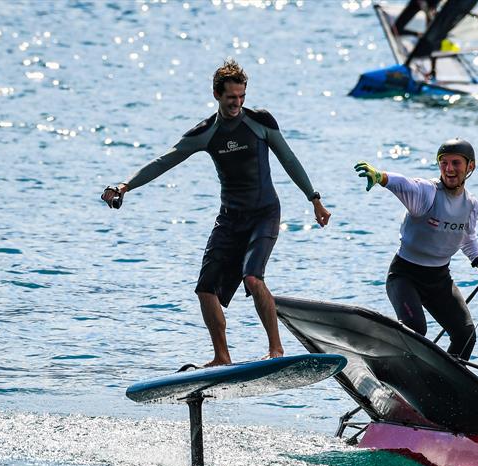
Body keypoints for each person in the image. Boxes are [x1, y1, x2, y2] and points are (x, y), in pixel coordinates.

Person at [101, 59, 331, 366]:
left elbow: (288, 159)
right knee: (205, 288)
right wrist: (125, 186)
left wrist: (313, 198)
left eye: (241, 97)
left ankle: (276, 349)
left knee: (252, 276)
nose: (237, 103)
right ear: (216, 95)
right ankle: (222, 357)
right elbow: (164, 161)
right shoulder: (206, 133)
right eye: (231, 97)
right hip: (229, 219)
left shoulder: (260, 122)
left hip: (264, 214)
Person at [354, 139, 478, 361]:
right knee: (415, 329)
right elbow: (404, 183)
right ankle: (386, 361)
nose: (449, 169)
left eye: (456, 163)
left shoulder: (471, 205)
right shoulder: (426, 193)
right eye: (443, 163)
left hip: (439, 280)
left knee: (465, 334)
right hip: (404, 276)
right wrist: (381, 176)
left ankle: (445, 385)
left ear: (470, 167)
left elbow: (467, 239)